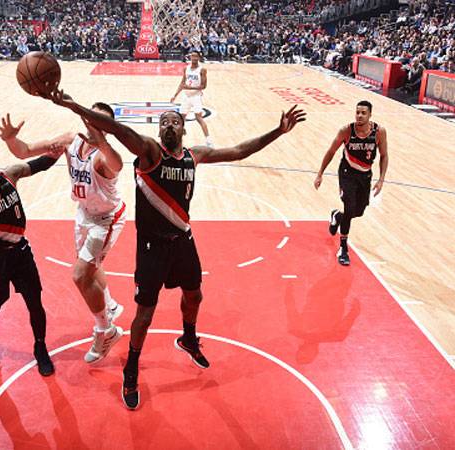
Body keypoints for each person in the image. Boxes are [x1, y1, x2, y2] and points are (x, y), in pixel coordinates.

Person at [45, 89, 305, 409]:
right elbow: (120, 130)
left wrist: (278, 131)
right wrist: (72, 106)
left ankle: (188, 338)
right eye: (164, 122)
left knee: (194, 295)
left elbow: (238, 151)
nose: (169, 125)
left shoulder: (193, 156)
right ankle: (131, 369)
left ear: (183, 129)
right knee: (144, 315)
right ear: (158, 130)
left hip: (183, 240)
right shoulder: (151, 153)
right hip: (152, 247)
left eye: (175, 122)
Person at [0, 104, 125, 365]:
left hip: (106, 219)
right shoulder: (70, 140)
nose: (92, 124)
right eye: (90, 118)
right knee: (91, 266)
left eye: (101, 123)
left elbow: (117, 164)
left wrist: (102, 139)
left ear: (108, 129)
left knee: (80, 275)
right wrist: (11, 138)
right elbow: (25, 150)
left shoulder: (104, 155)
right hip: (84, 213)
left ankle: (106, 331)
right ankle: (109, 305)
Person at [0, 144, 62, 376]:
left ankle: (40, 346)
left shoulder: (8, 174)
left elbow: (38, 165)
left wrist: (57, 152)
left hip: (20, 251)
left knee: (35, 302)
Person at [314, 100, 388, 266]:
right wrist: (320, 173)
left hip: (365, 176)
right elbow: (331, 151)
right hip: (347, 173)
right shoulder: (347, 131)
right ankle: (343, 247)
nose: (359, 115)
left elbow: (384, 155)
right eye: (357, 112)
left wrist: (381, 180)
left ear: (370, 115)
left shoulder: (379, 132)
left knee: (359, 211)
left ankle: (337, 216)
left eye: (363, 113)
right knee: (349, 206)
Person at [170, 50, 213, 147]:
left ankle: (208, 140)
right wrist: (175, 95)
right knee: (181, 118)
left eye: (195, 56)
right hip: (186, 96)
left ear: (199, 58)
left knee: (199, 118)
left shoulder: (202, 70)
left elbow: (203, 86)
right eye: (192, 56)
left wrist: (190, 88)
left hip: (196, 96)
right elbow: (182, 83)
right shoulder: (186, 68)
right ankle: (177, 140)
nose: (194, 58)